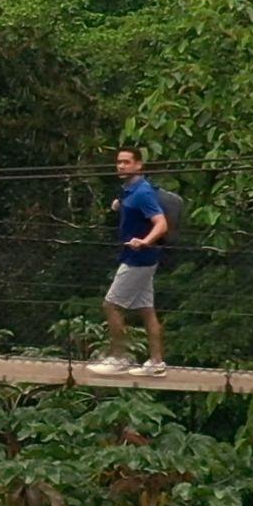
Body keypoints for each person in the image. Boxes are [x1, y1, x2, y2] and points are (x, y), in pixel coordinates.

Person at [92, 146, 172, 373]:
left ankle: (119, 358)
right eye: (119, 162)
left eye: (127, 162)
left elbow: (161, 223)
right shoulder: (130, 189)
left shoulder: (143, 193)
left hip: (138, 259)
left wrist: (145, 241)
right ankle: (157, 363)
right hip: (142, 258)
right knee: (147, 309)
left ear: (139, 165)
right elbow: (133, 207)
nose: (121, 166)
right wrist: (119, 205)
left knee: (111, 305)